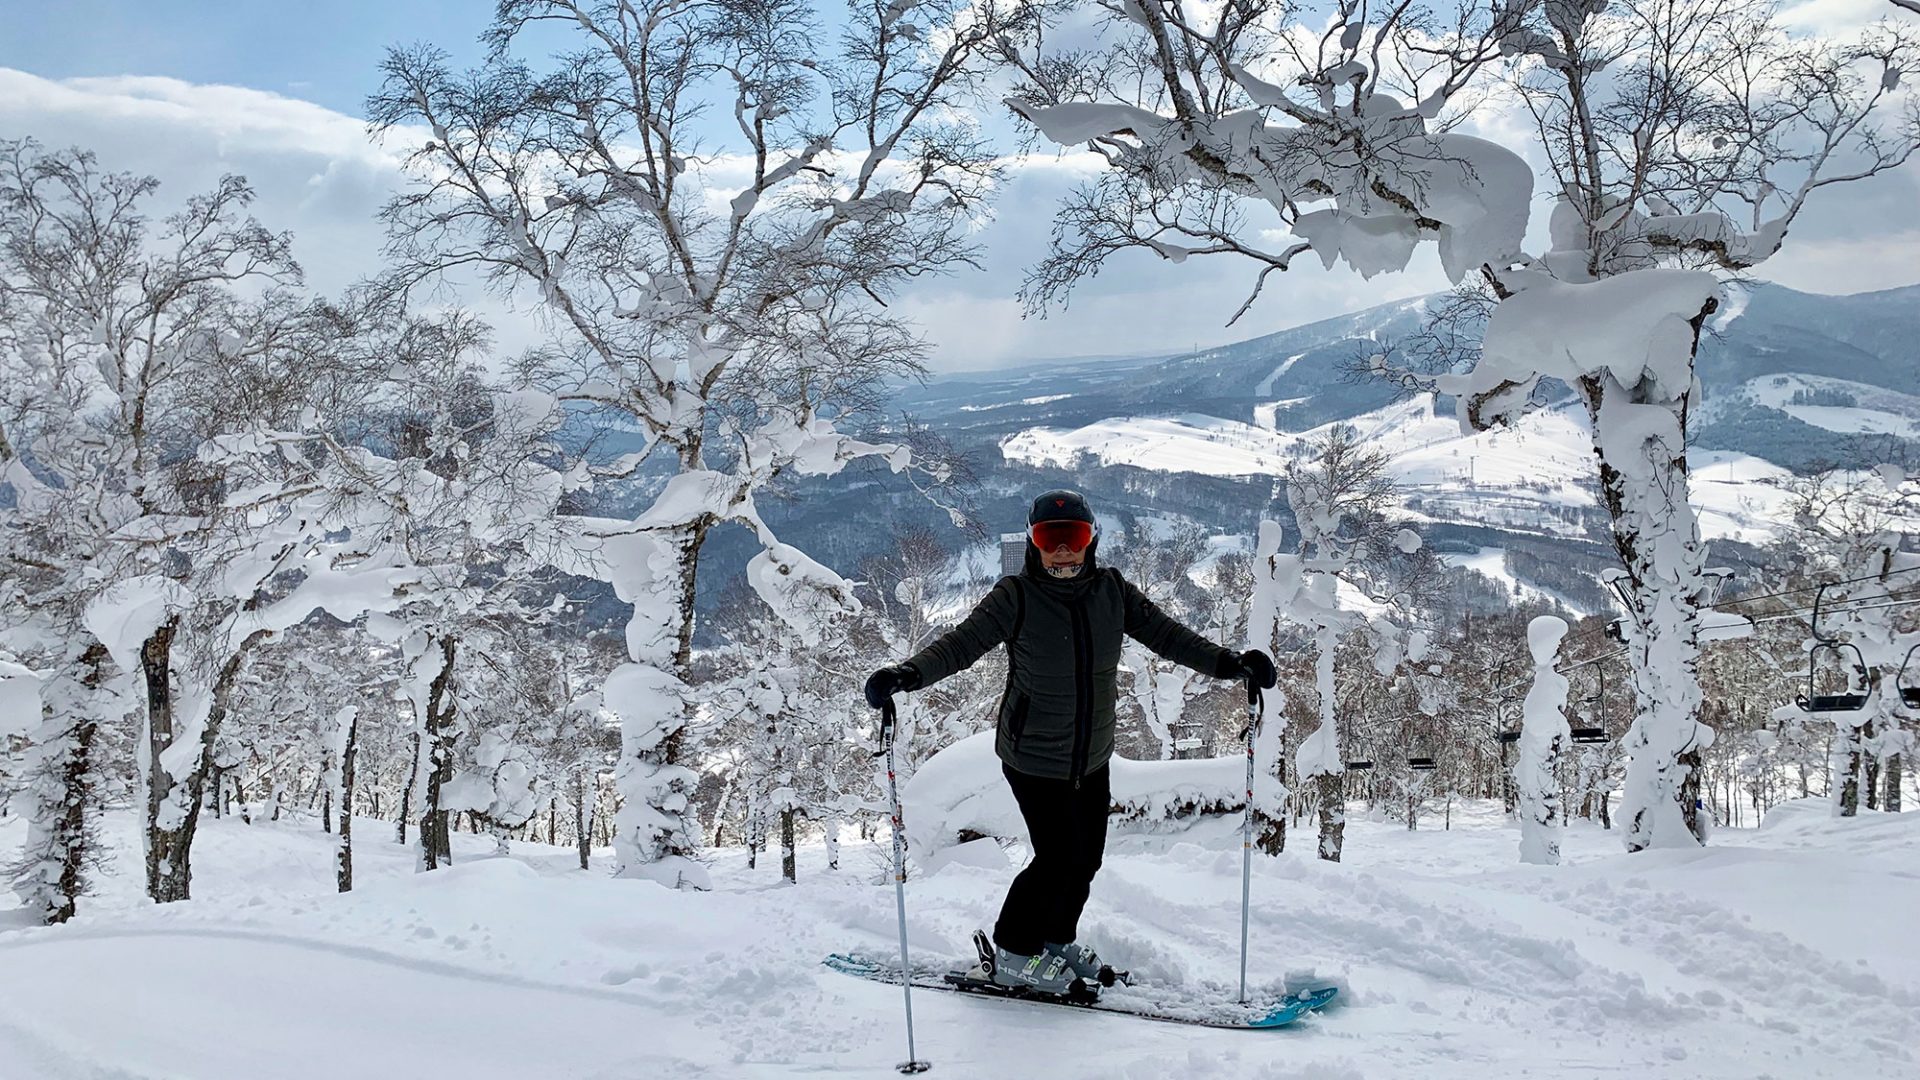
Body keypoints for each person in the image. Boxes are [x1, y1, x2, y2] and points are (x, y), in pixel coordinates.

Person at [864, 489, 1277, 995]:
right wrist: (906, 675)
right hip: (1034, 757)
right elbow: (961, 645)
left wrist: (1230, 664)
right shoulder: (1016, 596)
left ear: (1091, 540)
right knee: (1057, 859)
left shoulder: (1112, 591)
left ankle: (1055, 939)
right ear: (1033, 543)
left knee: (1086, 860)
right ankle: (1013, 951)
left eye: (1074, 537)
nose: (1063, 550)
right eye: (1049, 538)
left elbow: (1168, 635)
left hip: (1092, 755)